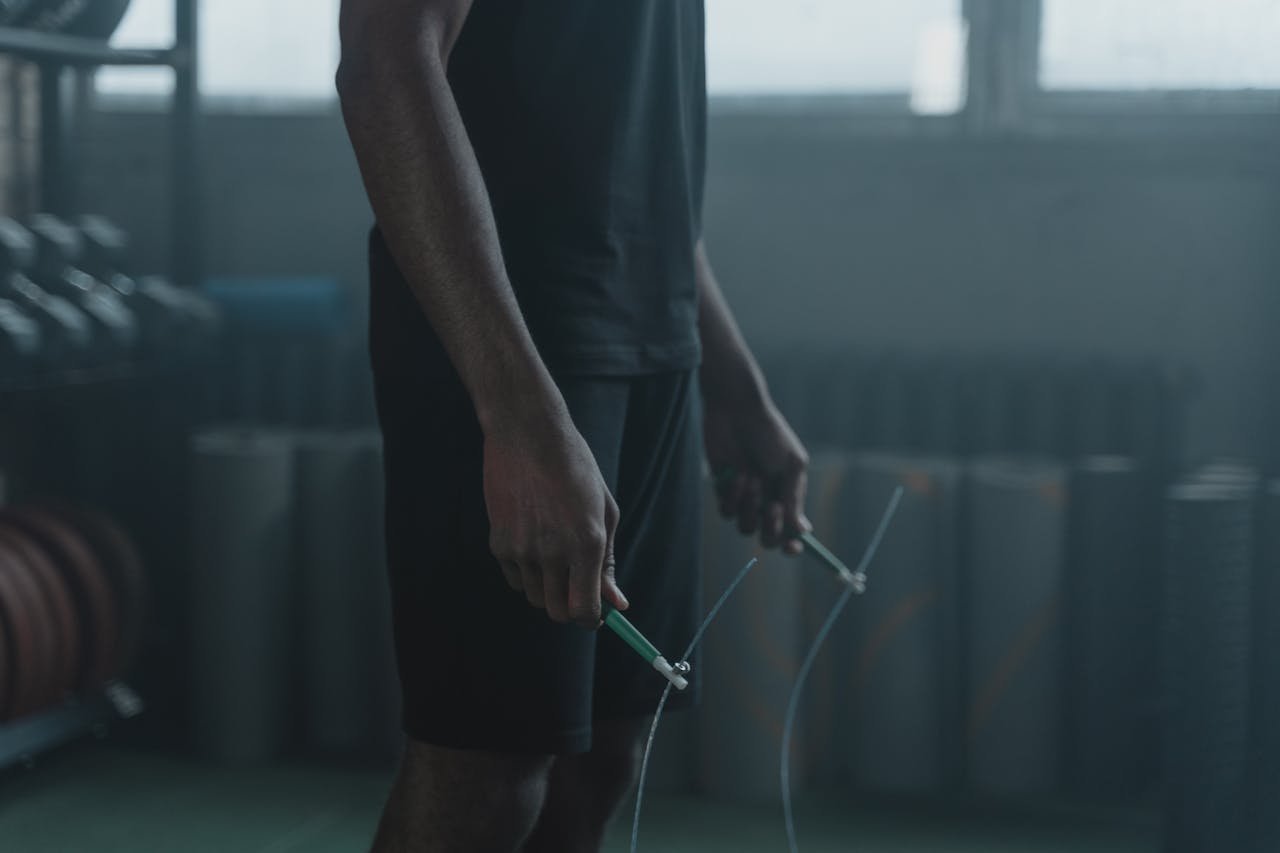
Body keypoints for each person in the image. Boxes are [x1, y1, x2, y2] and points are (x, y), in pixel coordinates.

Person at [337, 1, 811, 850]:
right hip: (509, 342)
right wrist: (516, 413)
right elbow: (386, 68)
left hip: (654, 338)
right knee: (488, 771)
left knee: (608, 749)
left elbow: (629, 132)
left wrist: (731, 376)